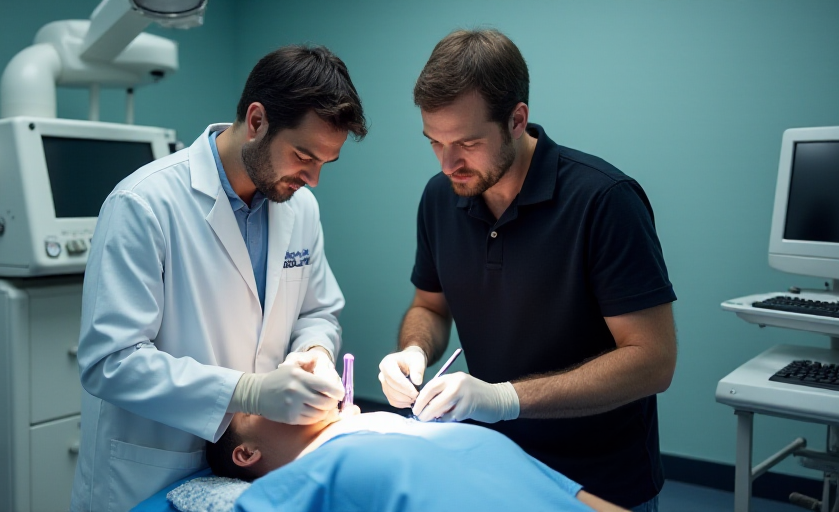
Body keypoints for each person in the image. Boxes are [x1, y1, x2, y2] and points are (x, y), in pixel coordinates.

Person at [377, 29, 677, 511]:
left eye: (467, 143)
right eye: (435, 142)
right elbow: (429, 306)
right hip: (491, 467)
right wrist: (413, 351)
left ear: (517, 119)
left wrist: (504, 399)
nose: (448, 163)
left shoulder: (604, 201)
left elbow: (653, 360)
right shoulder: (441, 197)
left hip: (600, 483)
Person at [70, 45, 368, 512]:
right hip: (153, 466)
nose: (312, 179)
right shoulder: (144, 203)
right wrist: (248, 392)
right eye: (302, 155)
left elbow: (317, 310)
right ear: (256, 121)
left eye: (324, 164)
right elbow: (110, 361)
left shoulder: (299, 208)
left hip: (253, 475)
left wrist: (312, 354)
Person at [205, 406, 628, 512]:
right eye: (256, 404)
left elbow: (576, 497)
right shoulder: (316, 472)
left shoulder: (420, 430)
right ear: (246, 453)